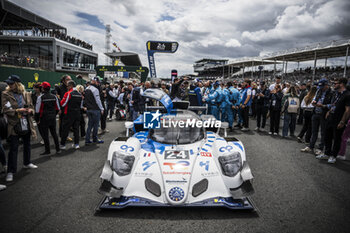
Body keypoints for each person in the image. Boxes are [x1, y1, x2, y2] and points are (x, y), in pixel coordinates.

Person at [1, 75, 37, 182]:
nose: (9, 85)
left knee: (27, 144)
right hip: (13, 125)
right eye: (8, 83)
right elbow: (5, 109)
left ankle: (27, 163)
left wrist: (30, 111)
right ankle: (11, 171)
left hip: (26, 122)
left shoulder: (26, 94)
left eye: (11, 83)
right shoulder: (5, 94)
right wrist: (17, 111)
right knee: (13, 148)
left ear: (17, 84)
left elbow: (32, 107)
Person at [317, 78, 350, 164]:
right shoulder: (336, 93)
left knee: (337, 138)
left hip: (339, 120)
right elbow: (333, 104)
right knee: (327, 136)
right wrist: (328, 110)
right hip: (330, 118)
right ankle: (327, 153)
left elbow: (347, 110)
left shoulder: (347, 95)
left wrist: (342, 121)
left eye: (336, 83)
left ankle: (333, 156)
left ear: (341, 84)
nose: (334, 85)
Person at [301, 79, 333, 154]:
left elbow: (333, 104)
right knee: (313, 131)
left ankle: (320, 148)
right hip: (315, 112)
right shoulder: (319, 91)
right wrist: (314, 102)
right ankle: (311, 146)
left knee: (323, 132)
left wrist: (323, 106)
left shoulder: (331, 93)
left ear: (326, 85)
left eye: (322, 86)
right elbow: (315, 98)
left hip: (324, 114)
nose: (320, 88)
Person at [35, 82, 61, 155]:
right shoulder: (54, 96)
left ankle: (47, 150)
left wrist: (37, 120)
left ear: (43, 88)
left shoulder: (40, 97)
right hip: (52, 117)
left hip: (44, 118)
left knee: (45, 135)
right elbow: (57, 108)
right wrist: (53, 115)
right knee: (54, 134)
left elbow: (37, 110)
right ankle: (58, 149)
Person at [60, 80, 83, 149]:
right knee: (76, 129)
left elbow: (63, 104)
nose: (67, 87)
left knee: (65, 129)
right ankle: (76, 144)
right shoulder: (80, 94)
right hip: (77, 113)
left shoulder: (68, 93)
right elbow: (81, 105)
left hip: (69, 114)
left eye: (68, 86)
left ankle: (63, 145)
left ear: (71, 86)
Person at [84, 77, 104, 145]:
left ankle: (87, 140)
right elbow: (98, 100)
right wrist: (102, 108)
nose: (98, 83)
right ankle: (95, 139)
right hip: (95, 110)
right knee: (95, 125)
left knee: (89, 125)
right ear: (95, 82)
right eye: (97, 82)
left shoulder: (86, 88)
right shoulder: (95, 89)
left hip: (89, 109)